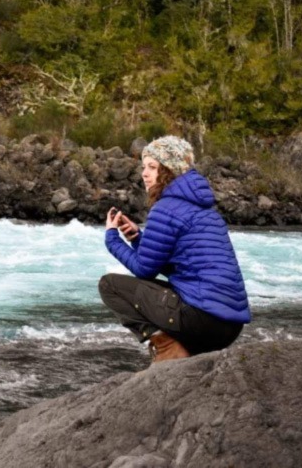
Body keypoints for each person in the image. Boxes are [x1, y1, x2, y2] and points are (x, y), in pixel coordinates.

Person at [99, 135, 251, 363]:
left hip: (201, 320)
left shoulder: (166, 209)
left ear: (170, 170)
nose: (144, 173)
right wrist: (137, 238)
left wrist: (112, 238)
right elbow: (178, 265)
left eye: (152, 167)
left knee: (110, 285)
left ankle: (167, 346)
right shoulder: (207, 211)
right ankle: (184, 349)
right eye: (144, 167)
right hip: (229, 327)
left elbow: (144, 270)